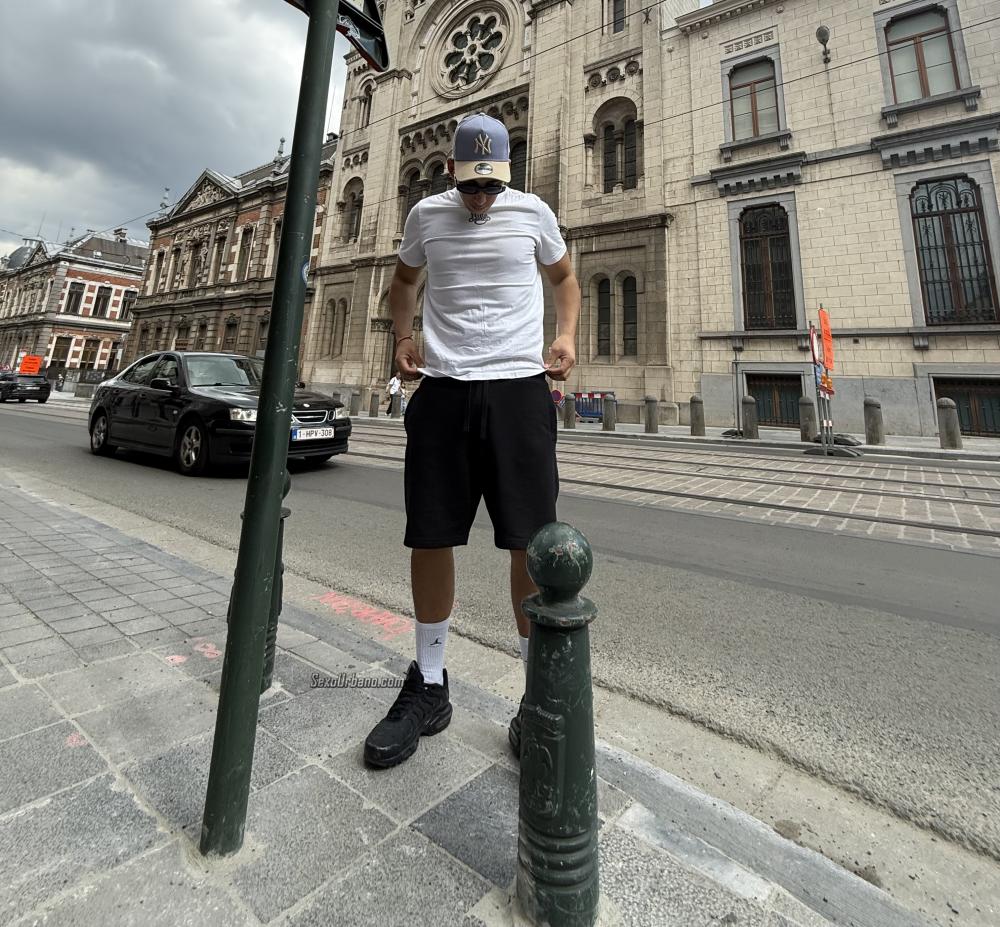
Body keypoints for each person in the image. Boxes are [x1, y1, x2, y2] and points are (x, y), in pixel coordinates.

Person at [363, 112, 580, 769]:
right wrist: (403, 336)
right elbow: (404, 283)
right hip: (444, 389)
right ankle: (429, 683)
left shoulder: (534, 212)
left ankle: (537, 697)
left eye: (491, 185)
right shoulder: (426, 215)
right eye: (470, 186)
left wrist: (566, 335)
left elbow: (564, 279)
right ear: (453, 175)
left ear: (506, 175)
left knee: (529, 545)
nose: (481, 198)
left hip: (519, 391)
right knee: (430, 534)